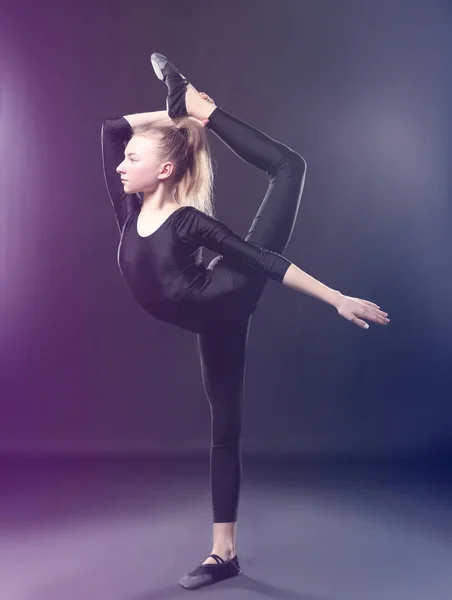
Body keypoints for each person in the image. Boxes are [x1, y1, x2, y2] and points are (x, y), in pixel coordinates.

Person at [100, 53, 390, 590]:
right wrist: (173, 114)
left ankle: (206, 112)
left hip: (233, 290)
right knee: (224, 430)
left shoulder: (187, 221)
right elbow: (113, 130)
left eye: (132, 158)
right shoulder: (129, 212)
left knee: (289, 167)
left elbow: (262, 263)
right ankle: (223, 556)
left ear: (163, 170)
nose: (119, 163)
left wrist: (336, 298)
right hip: (213, 317)